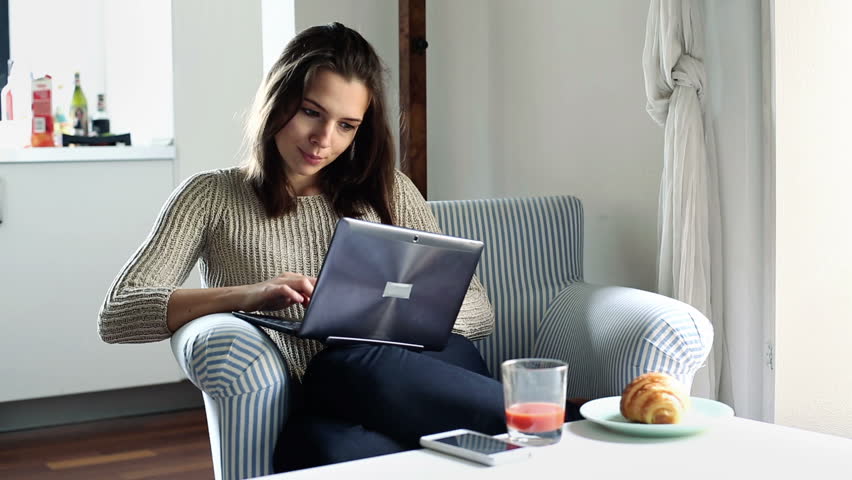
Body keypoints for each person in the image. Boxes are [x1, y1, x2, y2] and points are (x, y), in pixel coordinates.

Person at [98, 23, 578, 472]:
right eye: (311, 112)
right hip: (328, 394)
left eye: (347, 125)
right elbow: (119, 312)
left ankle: (553, 427)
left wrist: (393, 319)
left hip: (424, 366)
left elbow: (478, 309)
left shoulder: (388, 188)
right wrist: (249, 294)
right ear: (278, 100)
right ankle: (551, 430)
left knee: (348, 357)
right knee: (317, 448)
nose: (323, 140)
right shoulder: (210, 196)